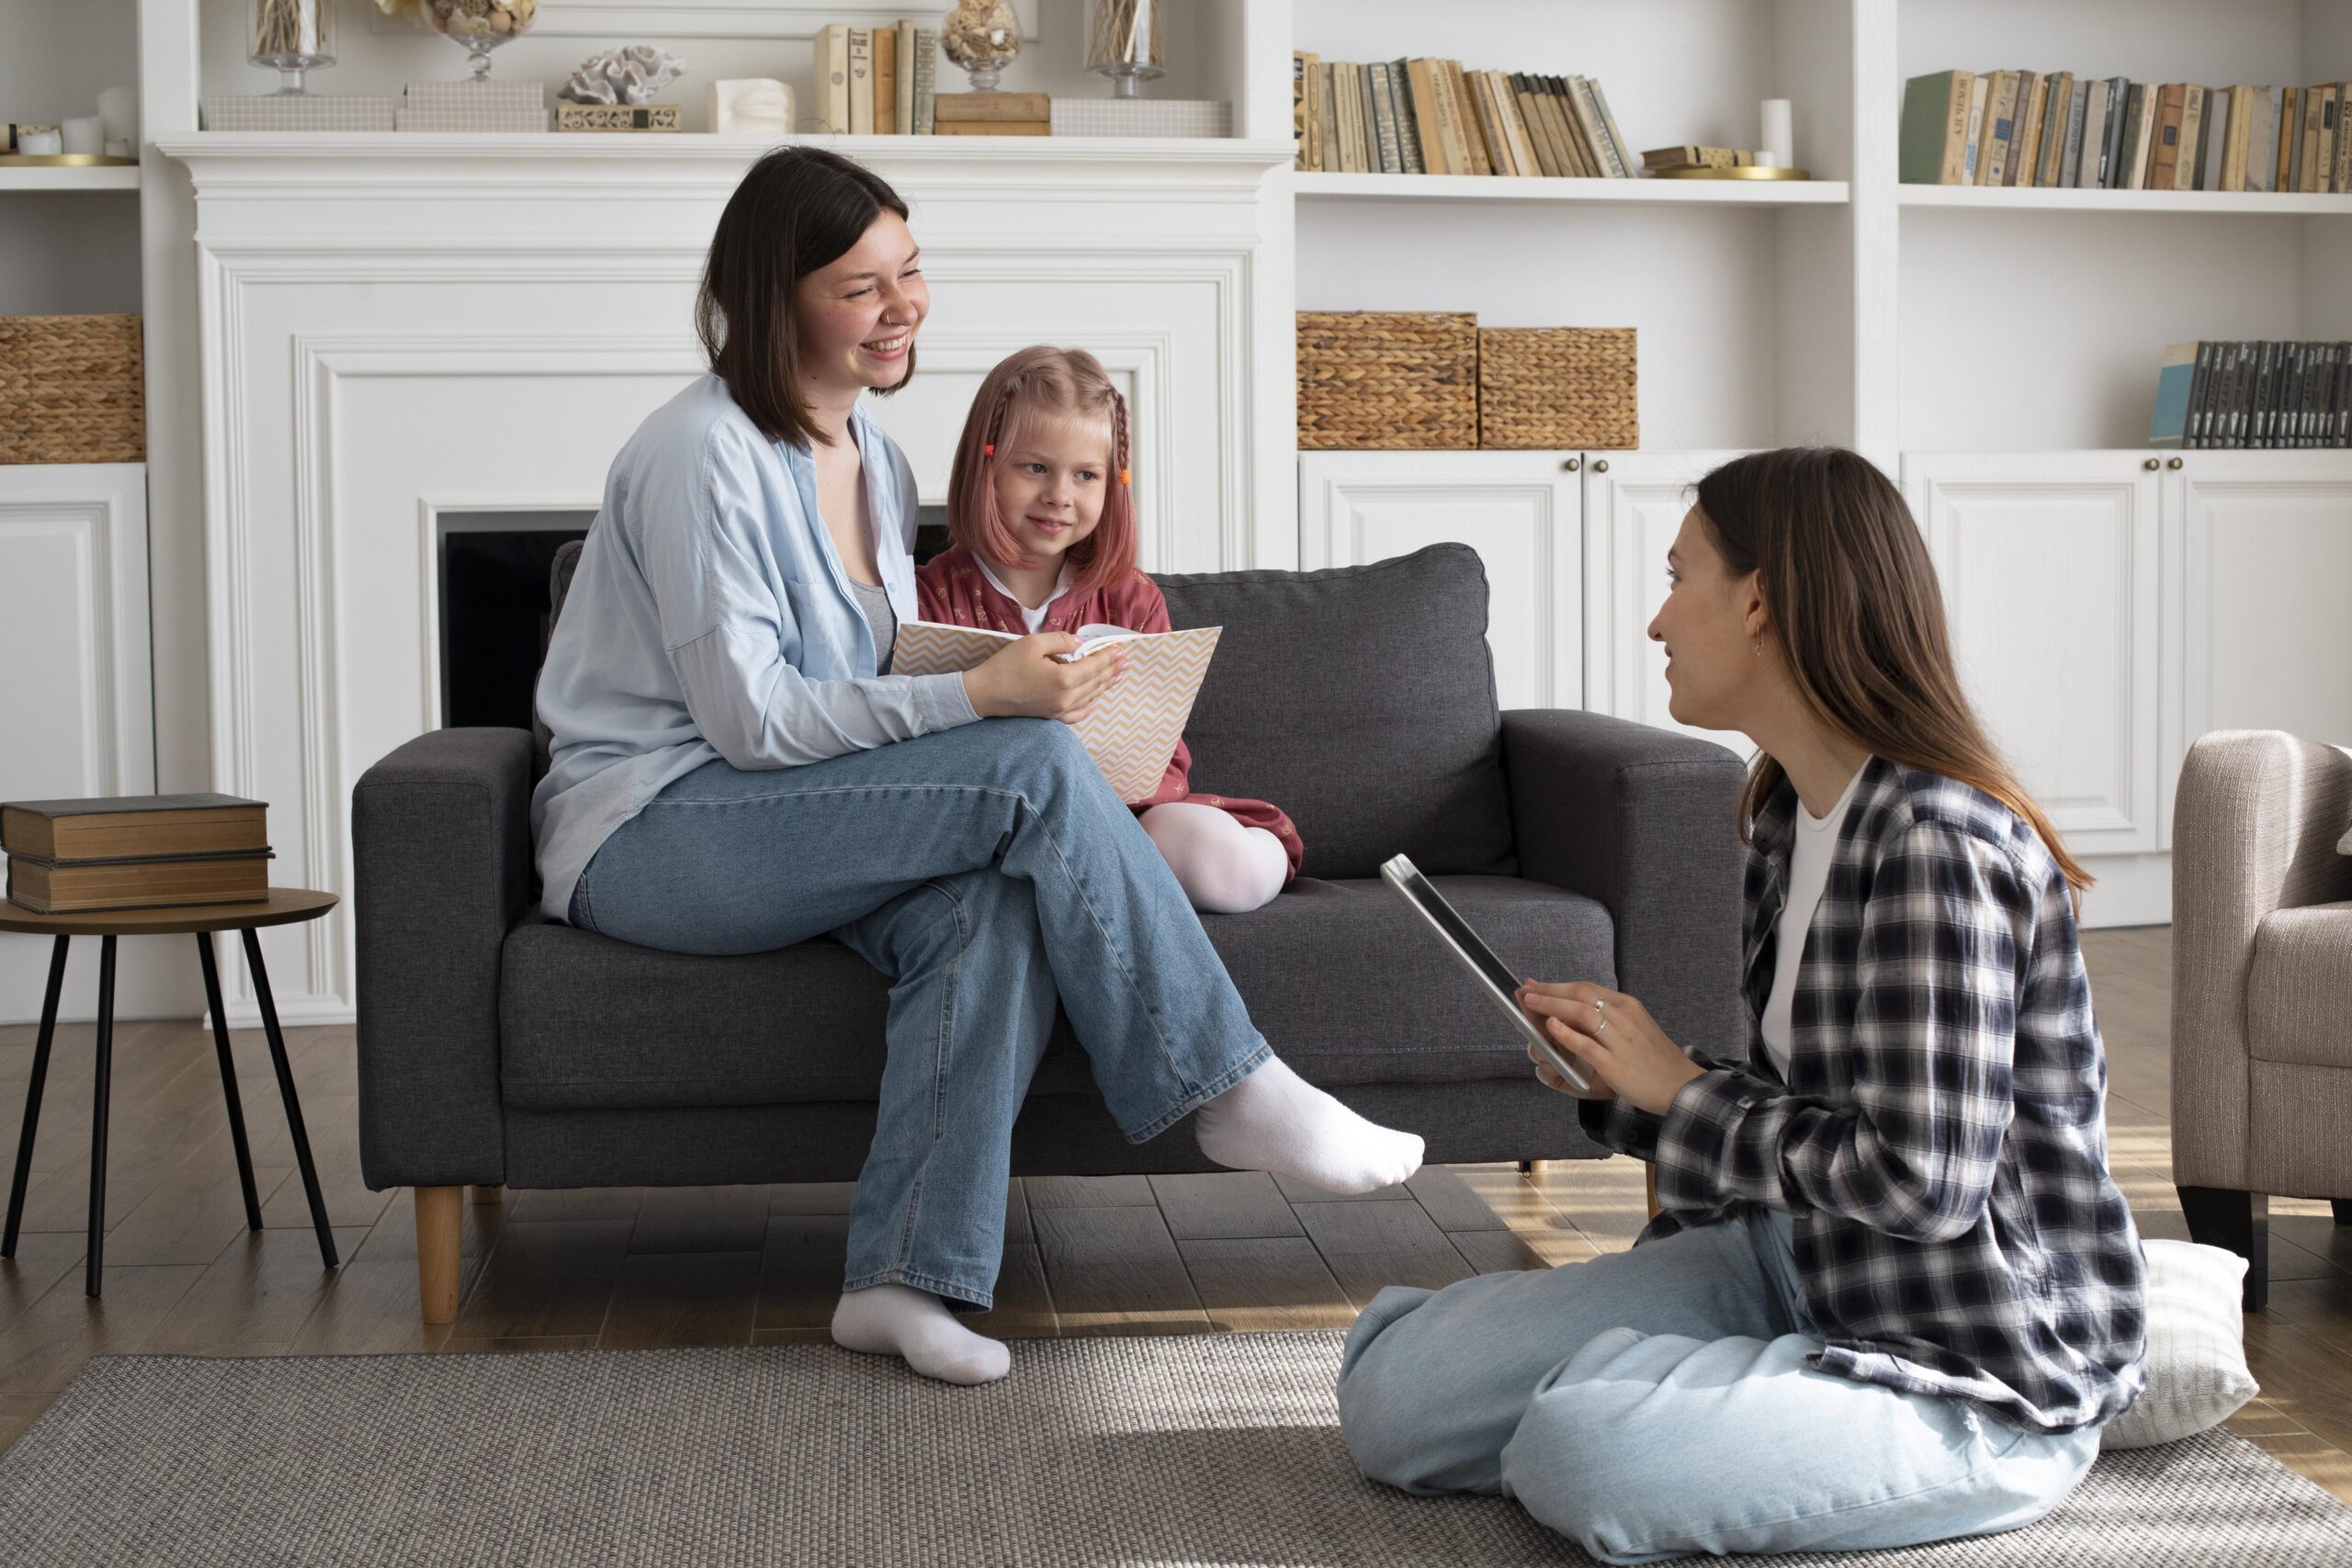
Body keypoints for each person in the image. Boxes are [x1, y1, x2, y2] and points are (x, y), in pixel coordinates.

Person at [530, 147, 1422, 1388]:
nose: (903, 307)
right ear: (774, 293)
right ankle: (1229, 1081)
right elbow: (750, 721)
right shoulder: (701, 454)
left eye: (912, 271)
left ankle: (902, 1277)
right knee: (1028, 762)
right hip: (656, 828)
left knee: (993, 902)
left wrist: (978, 693)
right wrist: (986, 693)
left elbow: (867, 689)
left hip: (781, 818)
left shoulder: (877, 462)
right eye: (861, 285)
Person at [1334, 446, 2147, 1562]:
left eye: (1679, 577)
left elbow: (1922, 1181)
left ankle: (1676, 1402)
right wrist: (1623, 1086)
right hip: (1792, 1259)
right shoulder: (1784, 816)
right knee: (1398, 1399)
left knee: (1586, 1451)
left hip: (1967, 1358)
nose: (1658, 621)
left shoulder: (1934, 849)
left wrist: (1680, 1086)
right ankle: (1708, 1394)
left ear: (1759, 601)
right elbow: (1786, 1112)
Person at [916, 344, 1301, 914]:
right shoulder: (927, 595)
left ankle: (1244, 856)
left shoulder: (1131, 598)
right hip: (985, 821)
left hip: (1126, 816)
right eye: (1035, 467)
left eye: (1086, 475)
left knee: (1230, 868)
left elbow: (1159, 751)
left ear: (1112, 483)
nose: (1059, 495)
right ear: (986, 464)